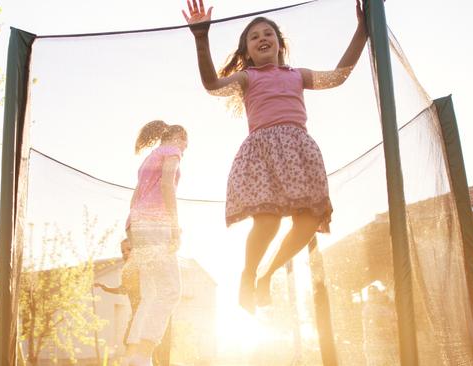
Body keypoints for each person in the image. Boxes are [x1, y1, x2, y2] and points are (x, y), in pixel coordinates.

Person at [182, 0, 368, 313]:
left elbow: (339, 76)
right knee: (267, 223)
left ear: (279, 44)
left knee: (309, 220)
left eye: (268, 33)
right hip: (261, 154)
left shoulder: (298, 75)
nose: (262, 38)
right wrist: (202, 39)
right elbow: (212, 85)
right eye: (254, 37)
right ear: (247, 52)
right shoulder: (247, 78)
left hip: (299, 152)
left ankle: (267, 274)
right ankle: (249, 273)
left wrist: (362, 31)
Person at [124, 120, 187, 366]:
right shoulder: (172, 150)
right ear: (180, 137)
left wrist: (131, 231)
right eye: (186, 144)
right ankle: (143, 356)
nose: (185, 149)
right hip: (155, 223)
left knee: (151, 293)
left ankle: (132, 359)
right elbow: (167, 184)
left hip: (137, 223)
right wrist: (174, 224)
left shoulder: (150, 157)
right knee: (171, 290)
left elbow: (134, 197)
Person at [94, 238, 172, 366]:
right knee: (130, 343)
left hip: (148, 313)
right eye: (122, 251)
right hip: (136, 314)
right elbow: (123, 289)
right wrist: (106, 288)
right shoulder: (127, 271)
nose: (125, 253)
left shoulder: (145, 267)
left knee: (144, 346)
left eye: (129, 250)